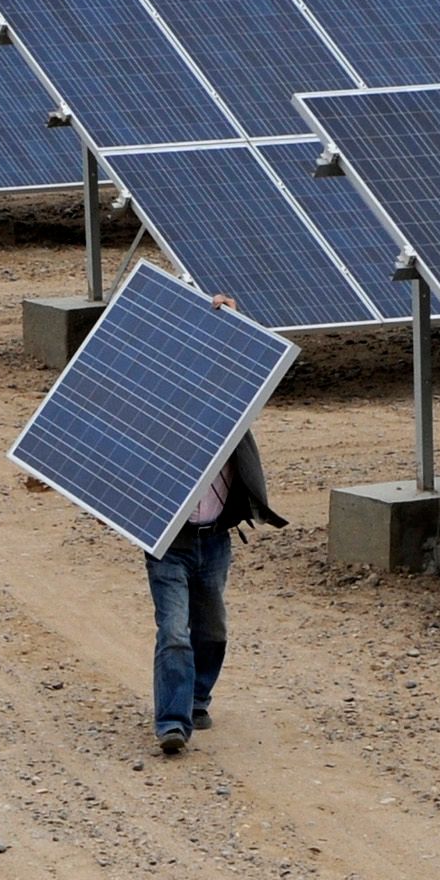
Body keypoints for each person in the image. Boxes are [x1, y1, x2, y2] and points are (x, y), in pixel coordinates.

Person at [150, 297, 286, 756]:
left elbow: (253, 363)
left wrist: (229, 320)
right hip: (169, 541)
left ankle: (197, 697)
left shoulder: (231, 410)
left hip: (216, 541)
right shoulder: (156, 413)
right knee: (174, 632)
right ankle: (172, 721)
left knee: (212, 632)